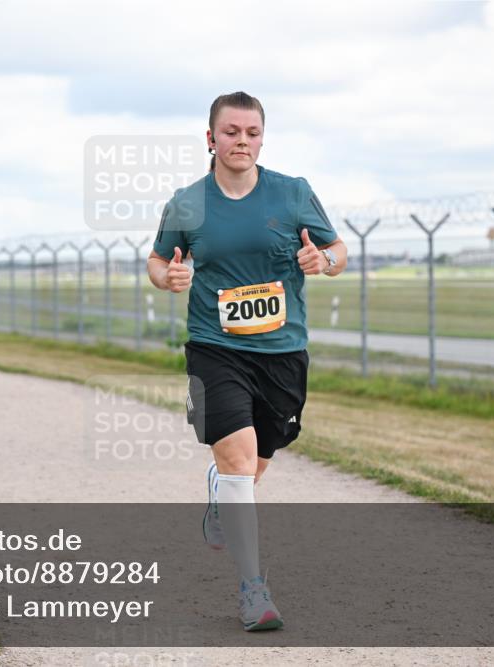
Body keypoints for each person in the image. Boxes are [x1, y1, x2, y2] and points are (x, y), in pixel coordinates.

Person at [147, 91, 348, 632]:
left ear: (262, 138)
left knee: (259, 459)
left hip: (283, 354)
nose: (242, 141)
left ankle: (222, 498)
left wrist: (322, 260)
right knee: (238, 462)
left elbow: (339, 252)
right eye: (231, 131)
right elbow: (158, 260)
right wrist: (169, 277)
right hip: (215, 348)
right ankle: (253, 589)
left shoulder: (294, 193)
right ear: (210, 138)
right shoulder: (187, 203)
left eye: (252, 132)